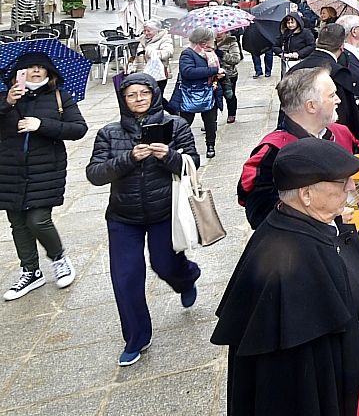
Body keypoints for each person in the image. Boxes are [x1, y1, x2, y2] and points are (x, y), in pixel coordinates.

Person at [213, 138, 359, 416]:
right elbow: (334, 359)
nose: (352, 187)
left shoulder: (308, 222)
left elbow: (336, 277)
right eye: (341, 182)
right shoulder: (292, 265)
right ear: (307, 195)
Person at [86, 73, 201, 365]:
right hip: (124, 216)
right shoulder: (109, 133)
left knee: (165, 264)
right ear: (123, 100)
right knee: (125, 279)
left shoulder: (175, 125)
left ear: (153, 94)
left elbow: (193, 162)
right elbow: (95, 174)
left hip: (164, 211)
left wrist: (169, 156)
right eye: (131, 95)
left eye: (144, 93)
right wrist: (128, 159)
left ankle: (186, 279)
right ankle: (137, 337)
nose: (138, 99)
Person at [0, 52, 87, 301]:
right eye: (29, 67)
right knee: (17, 223)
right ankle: (30, 271)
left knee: (38, 219)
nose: (36, 71)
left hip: (46, 168)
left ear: (50, 71)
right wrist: (7, 102)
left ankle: (59, 258)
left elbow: (78, 129)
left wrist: (42, 125)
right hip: (10, 168)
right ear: (19, 72)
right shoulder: (7, 97)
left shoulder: (60, 96)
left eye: (41, 67)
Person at [239, 68, 359, 229]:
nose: (338, 100)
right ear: (311, 106)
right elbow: (258, 212)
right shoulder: (273, 149)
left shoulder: (340, 132)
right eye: (332, 95)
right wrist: (329, 216)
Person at [287, 24, 359, 139]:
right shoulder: (339, 73)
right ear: (342, 47)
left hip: (294, 133)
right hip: (328, 137)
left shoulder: (294, 69)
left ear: (317, 41)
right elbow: (347, 114)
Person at [170, 27, 223, 160]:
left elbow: (218, 68)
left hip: (209, 92)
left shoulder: (211, 53)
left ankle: (211, 146)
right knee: (185, 123)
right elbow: (188, 72)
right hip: (190, 94)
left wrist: (220, 73)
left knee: (210, 122)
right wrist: (213, 71)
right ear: (204, 41)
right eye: (212, 38)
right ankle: (182, 146)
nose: (214, 40)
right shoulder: (188, 54)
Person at [130, 19, 174, 87]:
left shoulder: (165, 39)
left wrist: (151, 53)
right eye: (145, 30)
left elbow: (169, 52)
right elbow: (137, 55)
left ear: (156, 31)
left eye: (149, 31)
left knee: (157, 95)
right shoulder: (142, 39)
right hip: (143, 73)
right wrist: (133, 68)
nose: (146, 33)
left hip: (159, 74)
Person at [215, 29, 242, 124]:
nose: (218, 33)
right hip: (213, 74)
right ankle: (211, 121)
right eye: (216, 31)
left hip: (229, 74)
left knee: (229, 95)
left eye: (221, 31)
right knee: (212, 97)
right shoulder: (209, 42)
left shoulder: (231, 42)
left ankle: (232, 114)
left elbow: (236, 59)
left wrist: (223, 55)